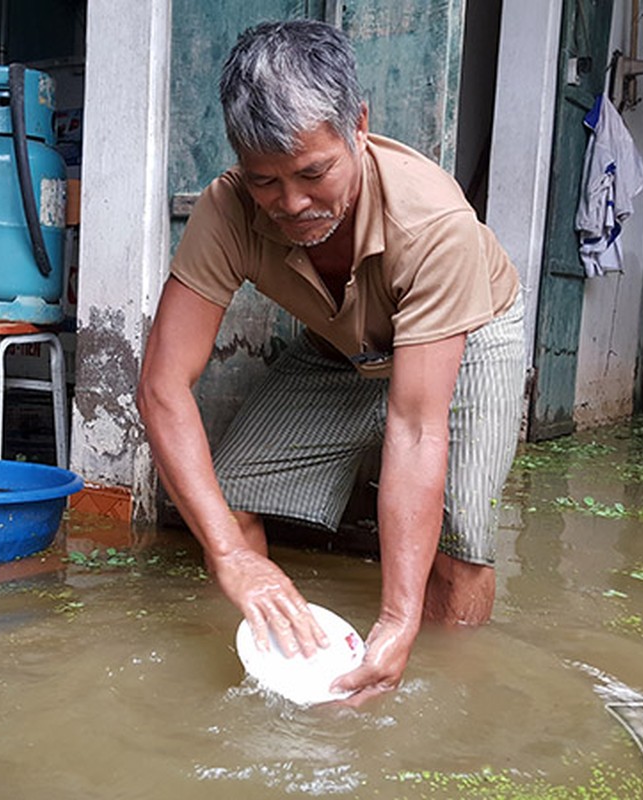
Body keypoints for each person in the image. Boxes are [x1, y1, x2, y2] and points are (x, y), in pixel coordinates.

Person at [137, 19, 526, 703]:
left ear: (359, 126)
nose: (292, 205)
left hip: (469, 337)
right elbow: (164, 386)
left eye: (314, 173)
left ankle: (443, 687)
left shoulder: (436, 223)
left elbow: (415, 425)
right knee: (225, 507)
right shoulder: (225, 212)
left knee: (463, 541)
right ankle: (277, 669)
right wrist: (229, 555)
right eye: (266, 181)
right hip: (339, 347)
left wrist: (400, 617)